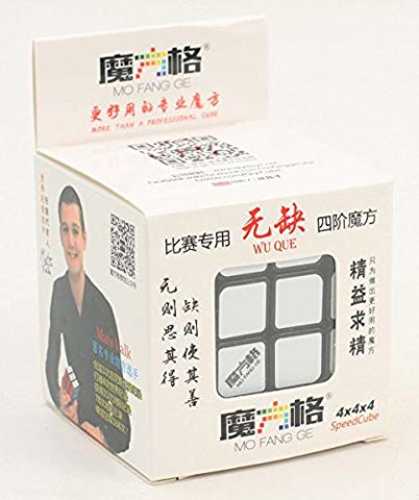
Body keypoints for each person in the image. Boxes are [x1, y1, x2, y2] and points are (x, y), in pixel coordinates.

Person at [45, 185, 131, 453]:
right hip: (72, 420)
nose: (71, 241)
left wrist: (102, 434)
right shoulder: (59, 289)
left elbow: (116, 390)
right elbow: (52, 355)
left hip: (100, 429)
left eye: (75, 230)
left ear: (85, 238)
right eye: (65, 230)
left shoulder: (102, 307)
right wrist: (59, 399)